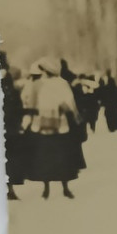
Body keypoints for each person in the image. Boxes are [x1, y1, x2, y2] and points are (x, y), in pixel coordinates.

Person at [26, 57, 85, 199]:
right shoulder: (63, 83)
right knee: (62, 155)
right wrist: (76, 117)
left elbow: (31, 105)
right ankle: (65, 188)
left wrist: (28, 120)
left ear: (44, 71)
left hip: (42, 125)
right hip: (61, 124)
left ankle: (46, 189)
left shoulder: (37, 84)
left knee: (45, 156)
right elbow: (70, 103)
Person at [0, 52, 26, 200]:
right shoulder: (6, 78)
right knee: (9, 157)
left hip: (5, 124)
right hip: (9, 125)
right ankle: (9, 188)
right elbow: (14, 102)